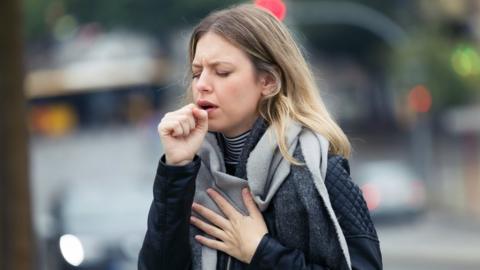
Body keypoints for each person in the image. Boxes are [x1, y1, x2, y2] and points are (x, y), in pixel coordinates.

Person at [138, 4, 382, 270]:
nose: (201, 85)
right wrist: (176, 169)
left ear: (268, 82)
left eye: (222, 72)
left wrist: (261, 250)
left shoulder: (319, 170)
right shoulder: (190, 172)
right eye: (197, 73)